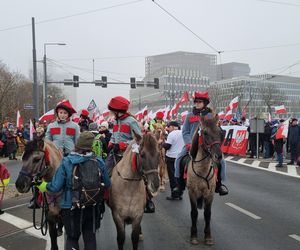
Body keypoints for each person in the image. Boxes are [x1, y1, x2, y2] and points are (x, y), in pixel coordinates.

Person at [36, 131, 111, 250]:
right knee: (90, 238)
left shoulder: (67, 161)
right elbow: (107, 183)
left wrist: (43, 186)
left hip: (71, 207)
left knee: (72, 238)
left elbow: (55, 187)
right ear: (91, 146)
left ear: (78, 144)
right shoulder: (99, 161)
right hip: (92, 206)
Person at [105, 96, 155, 213]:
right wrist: (111, 143)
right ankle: (105, 196)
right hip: (115, 153)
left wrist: (123, 145)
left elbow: (139, 139)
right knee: (104, 172)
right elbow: (114, 135)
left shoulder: (131, 121)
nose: (111, 112)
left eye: (113, 110)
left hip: (129, 153)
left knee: (142, 174)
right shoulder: (116, 121)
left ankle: (148, 200)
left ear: (118, 110)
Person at [174, 91, 228, 196]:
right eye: (196, 102)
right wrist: (189, 143)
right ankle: (179, 185)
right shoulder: (189, 116)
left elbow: (217, 131)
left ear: (205, 103)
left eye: (199, 102)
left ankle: (219, 185)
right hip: (192, 144)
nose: (197, 104)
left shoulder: (211, 116)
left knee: (222, 161)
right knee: (178, 159)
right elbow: (185, 132)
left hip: (208, 144)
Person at [161, 121, 184, 200]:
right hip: (181, 157)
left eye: (169, 127)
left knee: (172, 176)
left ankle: (174, 194)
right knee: (179, 176)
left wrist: (162, 144)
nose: (168, 128)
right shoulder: (183, 133)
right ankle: (180, 193)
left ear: (174, 127)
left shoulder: (172, 134)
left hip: (171, 157)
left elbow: (167, 146)